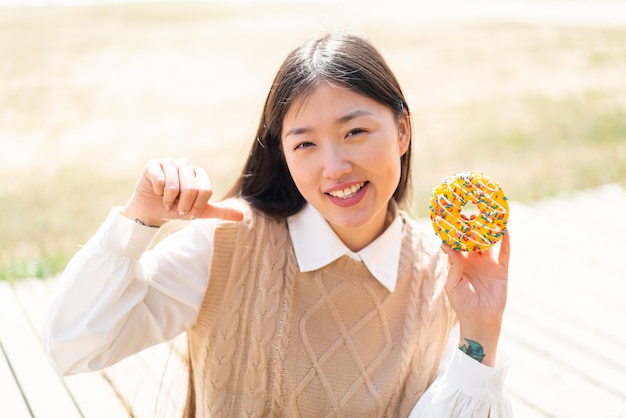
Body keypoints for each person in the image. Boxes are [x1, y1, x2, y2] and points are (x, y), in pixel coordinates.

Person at [43, 32, 513, 417]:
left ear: (402, 130)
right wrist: (138, 221)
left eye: (355, 132)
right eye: (305, 144)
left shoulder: (444, 279)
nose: (334, 167)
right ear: (283, 155)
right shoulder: (230, 247)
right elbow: (72, 345)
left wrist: (481, 333)